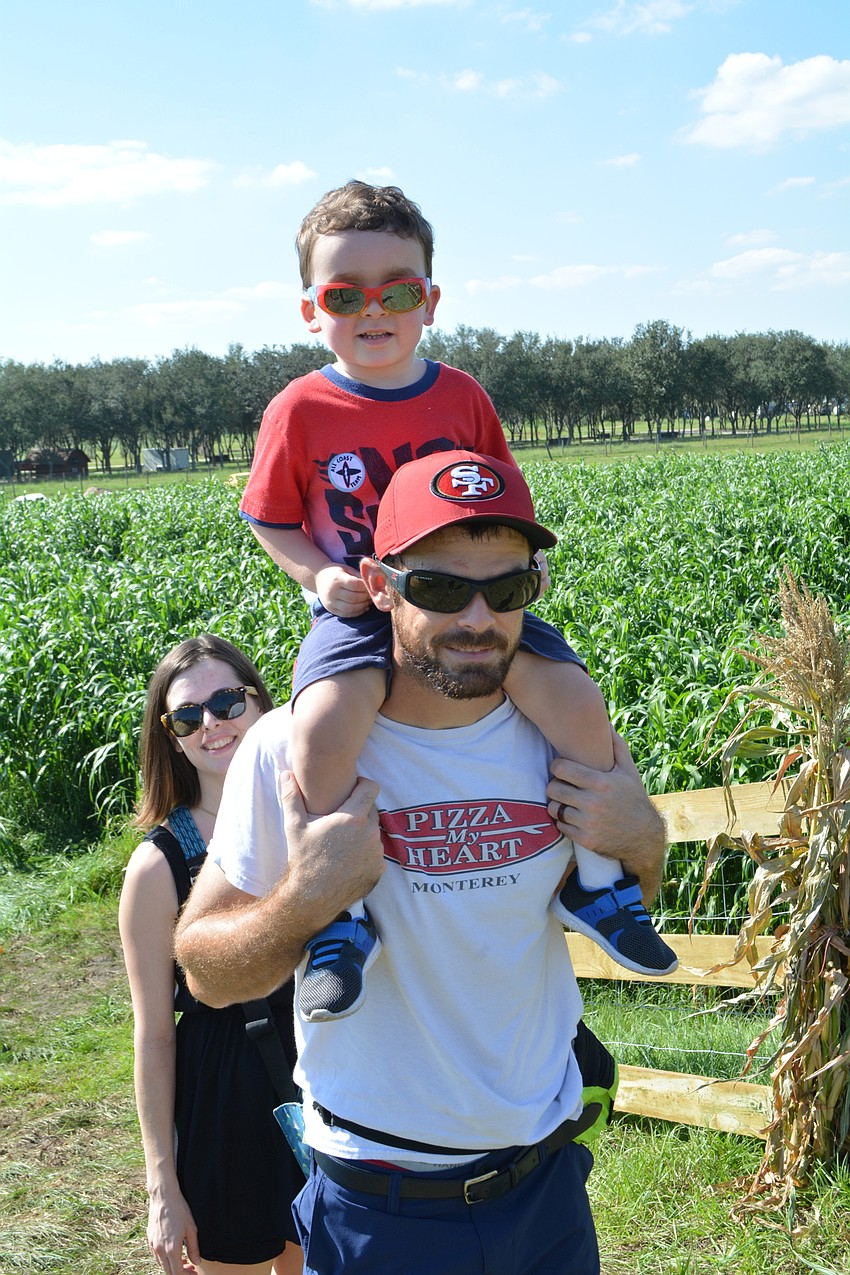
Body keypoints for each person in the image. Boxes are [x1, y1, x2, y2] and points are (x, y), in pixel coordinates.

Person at [174, 451, 671, 1275]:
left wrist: (643, 839)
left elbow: (629, 894)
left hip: (546, 1186)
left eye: (506, 590)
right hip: (382, 1204)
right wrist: (307, 899)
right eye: (440, 589)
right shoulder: (286, 751)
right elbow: (205, 973)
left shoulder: (560, 732)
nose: (477, 618)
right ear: (379, 584)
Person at [238, 180, 675, 1020]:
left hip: (469, 594)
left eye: (398, 289)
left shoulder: (462, 396)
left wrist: (510, 576)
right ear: (309, 311)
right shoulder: (299, 407)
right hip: (364, 607)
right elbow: (270, 516)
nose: (375, 309)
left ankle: (598, 884)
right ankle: (339, 918)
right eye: (345, 294)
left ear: (430, 301)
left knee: (575, 700)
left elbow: (506, 498)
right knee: (323, 726)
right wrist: (315, 577)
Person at [118, 635, 304, 1275]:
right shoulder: (158, 865)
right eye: (188, 716)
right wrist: (162, 1187)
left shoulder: (316, 813)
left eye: (227, 702)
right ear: (171, 736)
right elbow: (154, 1035)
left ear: (260, 702)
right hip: (224, 1101)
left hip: (333, 1074)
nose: (213, 725)